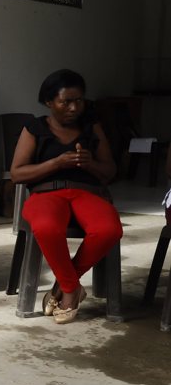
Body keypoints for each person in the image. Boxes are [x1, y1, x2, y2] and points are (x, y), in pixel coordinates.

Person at [10, 68, 121, 324]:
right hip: (46, 193)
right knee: (47, 228)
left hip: (88, 193)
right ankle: (71, 292)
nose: (73, 107)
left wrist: (90, 164)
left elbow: (110, 171)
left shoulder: (92, 129)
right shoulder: (34, 128)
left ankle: (63, 284)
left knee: (109, 230)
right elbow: (17, 174)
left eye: (79, 100)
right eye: (66, 102)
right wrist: (57, 163)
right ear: (50, 102)